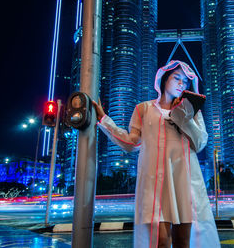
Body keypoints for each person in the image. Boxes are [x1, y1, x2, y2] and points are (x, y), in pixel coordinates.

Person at [93, 60, 220, 248]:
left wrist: (183, 116)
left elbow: (200, 143)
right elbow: (131, 142)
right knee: (160, 240)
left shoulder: (191, 111)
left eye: (185, 81)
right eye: (176, 78)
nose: (181, 84)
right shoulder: (143, 109)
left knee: (183, 242)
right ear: (163, 80)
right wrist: (104, 120)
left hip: (184, 180)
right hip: (155, 182)